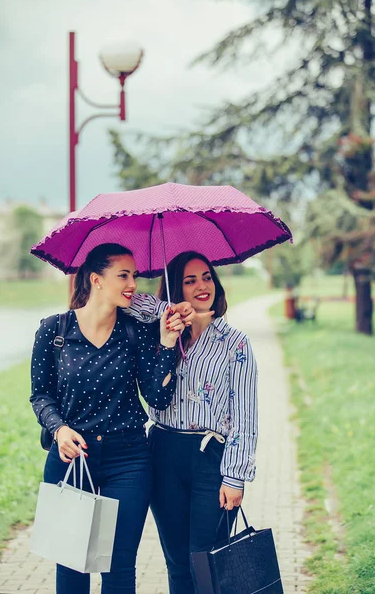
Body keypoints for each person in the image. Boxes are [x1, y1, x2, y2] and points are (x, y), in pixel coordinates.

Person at [30, 243, 185, 594]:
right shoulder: (54, 331)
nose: (133, 283)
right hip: (71, 460)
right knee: (72, 565)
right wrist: (59, 428)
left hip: (128, 460)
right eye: (124, 275)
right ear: (97, 280)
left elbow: (157, 397)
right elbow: (40, 395)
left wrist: (165, 342)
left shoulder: (135, 331)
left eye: (134, 275)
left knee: (118, 569)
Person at [146, 251, 258, 594]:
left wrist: (235, 476)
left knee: (206, 559)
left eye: (207, 277)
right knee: (177, 561)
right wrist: (168, 311)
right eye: (189, 280)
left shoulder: (235, 343)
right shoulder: (162, 335)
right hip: (162, 451)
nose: (201, 286)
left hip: (210, 456)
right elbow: (130, 302)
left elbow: (245, 414)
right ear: (175, 288)